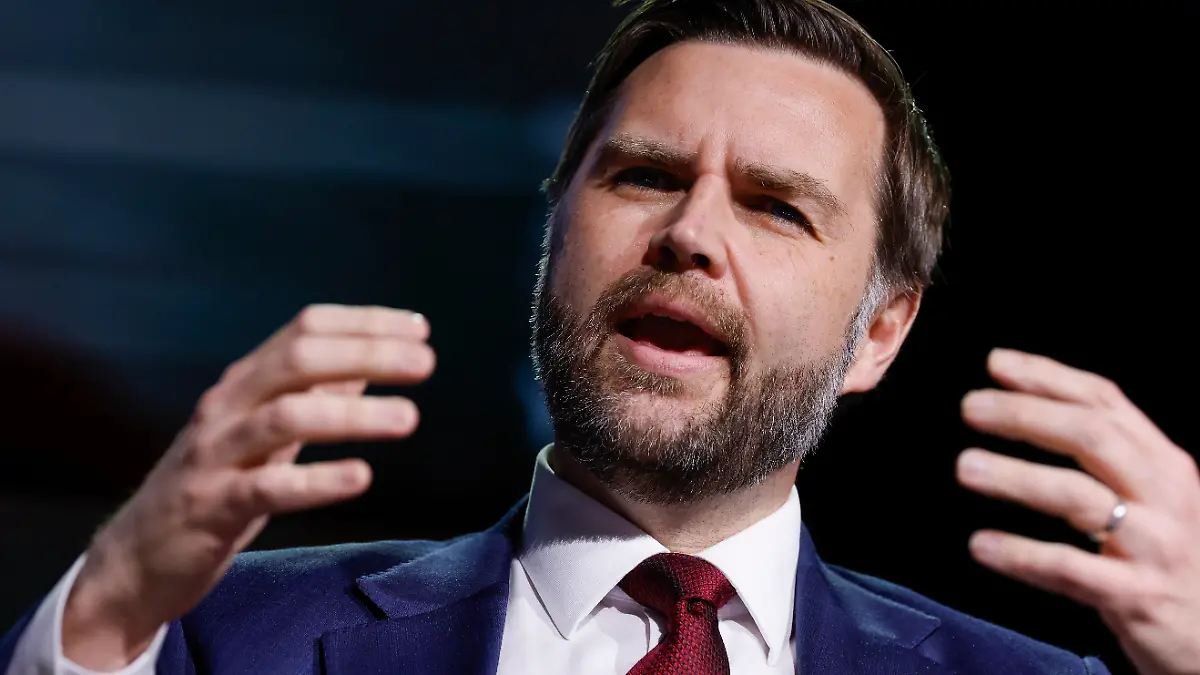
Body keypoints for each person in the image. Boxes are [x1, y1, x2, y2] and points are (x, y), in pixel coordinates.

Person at [3, 0, 1199, 673]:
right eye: (643, 175)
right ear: (554, 235)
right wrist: (106, 613)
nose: (689, 234)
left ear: (881, 332)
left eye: (777, 206)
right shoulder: (213, 639)